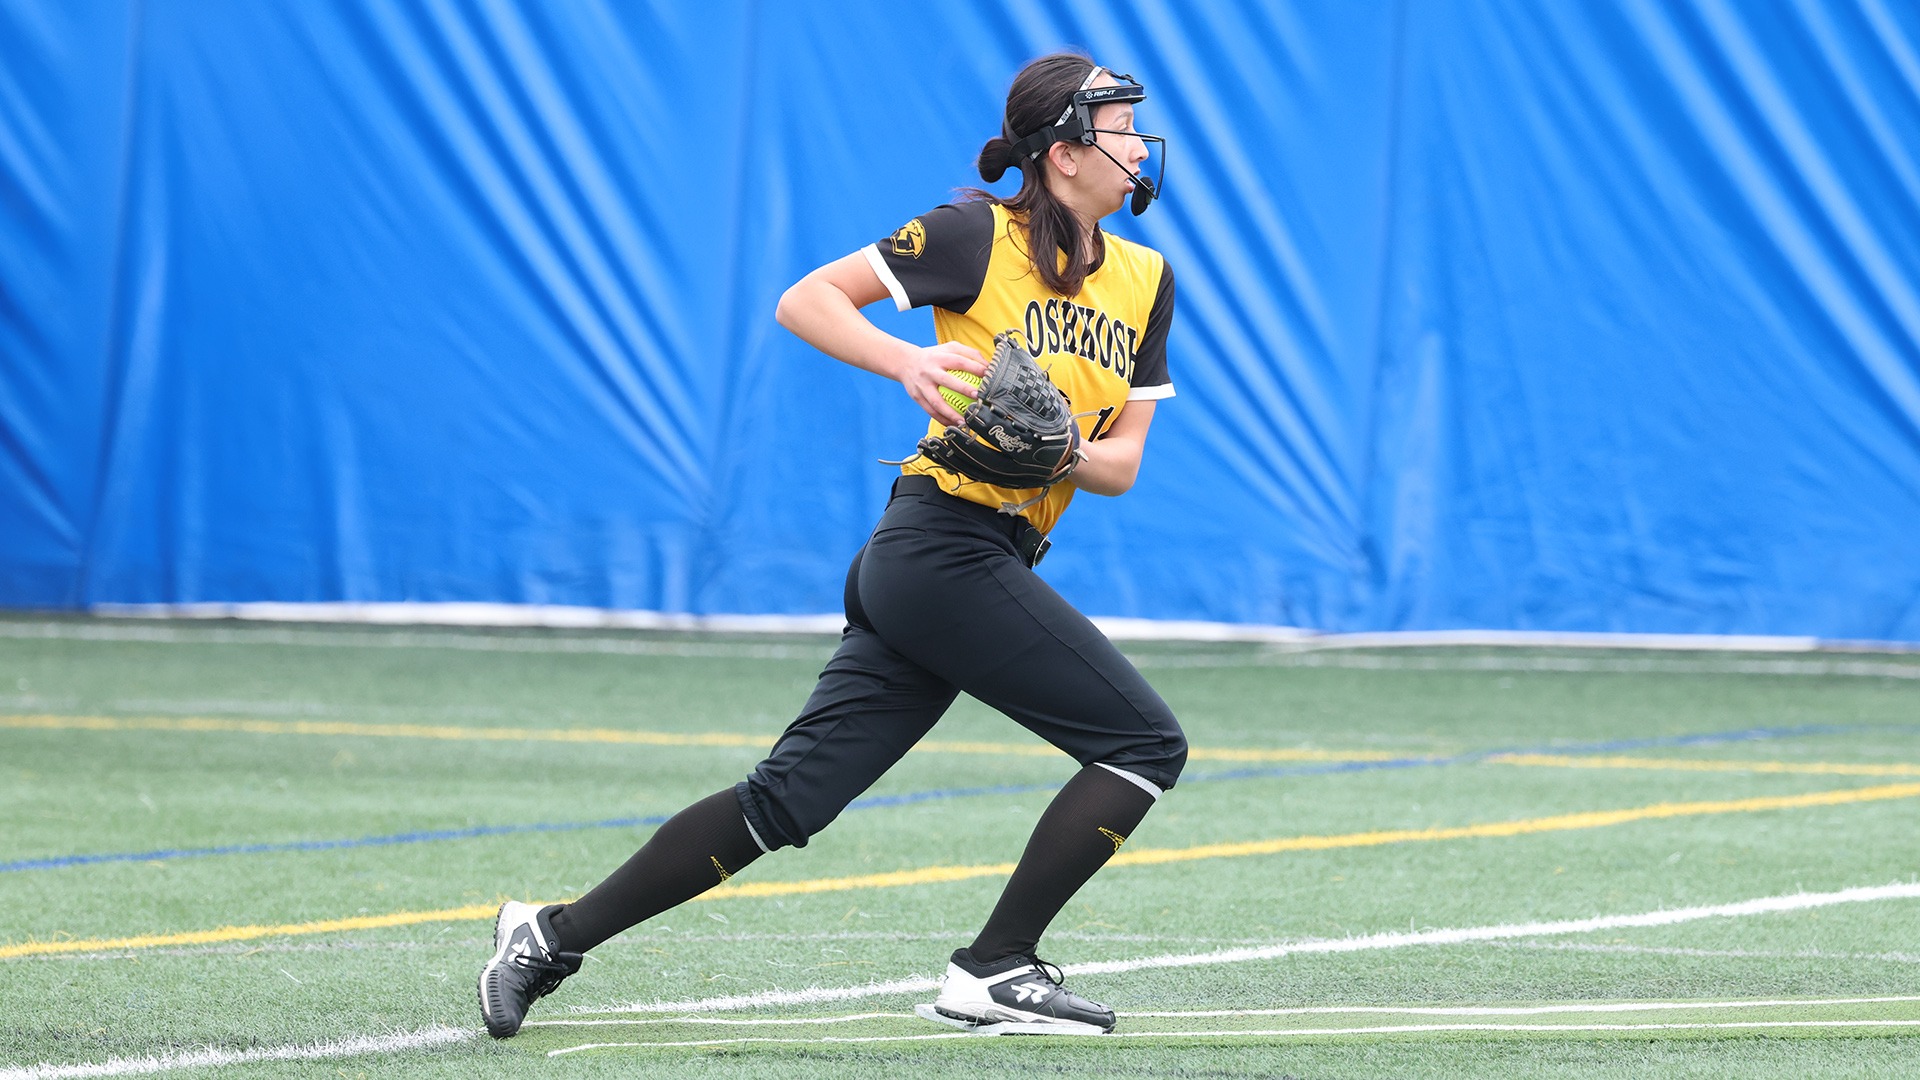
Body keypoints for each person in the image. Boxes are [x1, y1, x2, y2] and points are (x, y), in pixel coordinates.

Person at [479, 51, 1185, 1039]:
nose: (1137, 144)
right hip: (940, 545)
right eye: (1118, 125)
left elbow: (1121, 466)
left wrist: (1064, 444)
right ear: (1064, 151)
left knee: (785, 803)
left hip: (974, 561)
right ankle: (993, 969)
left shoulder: (1148, 281)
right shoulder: (975, 233)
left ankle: (547, 936)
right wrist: (907, 361)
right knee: (1144, 743)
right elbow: (805, 299)